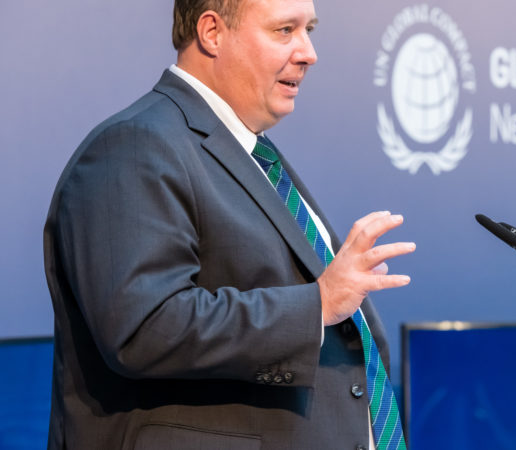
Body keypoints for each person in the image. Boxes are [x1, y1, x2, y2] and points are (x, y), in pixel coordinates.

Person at [42, 0, 414, 448]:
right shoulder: (134, 147)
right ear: (212, 33)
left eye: (309, 30)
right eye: (285, 30)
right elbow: (145, 328)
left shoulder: (251, 154)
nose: (309, 53)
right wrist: (317, 305)